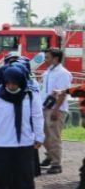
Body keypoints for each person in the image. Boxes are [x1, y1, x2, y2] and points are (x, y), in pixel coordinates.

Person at [39, 48, 71, 176]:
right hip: (45, 107)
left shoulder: (63, 73)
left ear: (56, 59)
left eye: (47, 57)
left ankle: (56, 163)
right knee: (43, 135)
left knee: (54, 137)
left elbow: (62, 93)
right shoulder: (49, 71)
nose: (45, 60)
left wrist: (56, 110)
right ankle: (50, 156)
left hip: (55, 108)